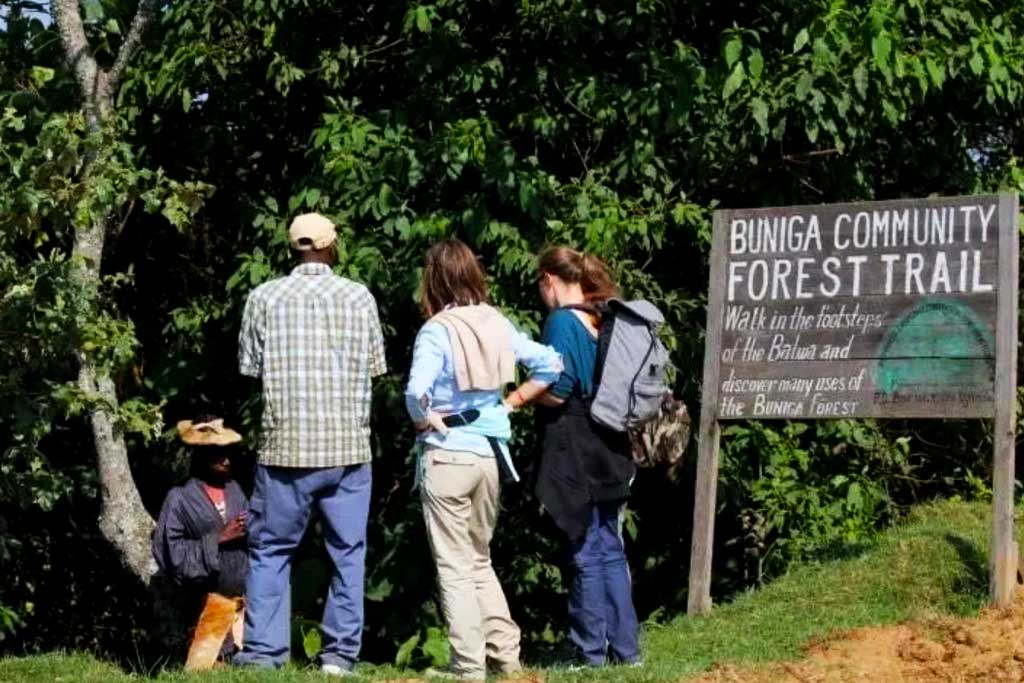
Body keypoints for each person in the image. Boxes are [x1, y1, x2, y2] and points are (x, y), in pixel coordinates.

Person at [235, 212, 387, 676]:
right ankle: (339, 657)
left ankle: (263, 654)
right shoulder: (359, 296)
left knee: (271, 551)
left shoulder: (263, 297)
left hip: (285, 448)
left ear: (292, 247)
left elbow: (250, 367)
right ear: (331, 245)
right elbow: (376, 368)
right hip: (347, 450)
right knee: (348, 553)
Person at [404, 239, 562, 683]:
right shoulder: (496, 321)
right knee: (479, 559)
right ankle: (508, 660)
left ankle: (468, 668)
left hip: (448, 455)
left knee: (454, 565)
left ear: (433, 279)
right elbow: (550, 364)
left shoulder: (437, 329)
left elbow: (416, 393)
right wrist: (511, 402)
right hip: (490, 455)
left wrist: (424, 423)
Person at [533, 246, 641, 668]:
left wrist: (522, 396)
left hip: (576, 442)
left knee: (584, 545)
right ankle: (627, 651)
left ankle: (589, 652)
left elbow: (558, 389)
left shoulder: (562, 321)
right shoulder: (605, 316)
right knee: (610, 546)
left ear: (549, 280)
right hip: (613, 442)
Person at [152, 416, 249, 669]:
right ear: (201, 455)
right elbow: (169, 551)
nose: (226, 460)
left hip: (241, 603)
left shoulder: (235, 490)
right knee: (206, 666)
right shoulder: (180, 498)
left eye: (228, 453)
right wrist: (218, 539)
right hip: (203, 605)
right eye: (218, 455)